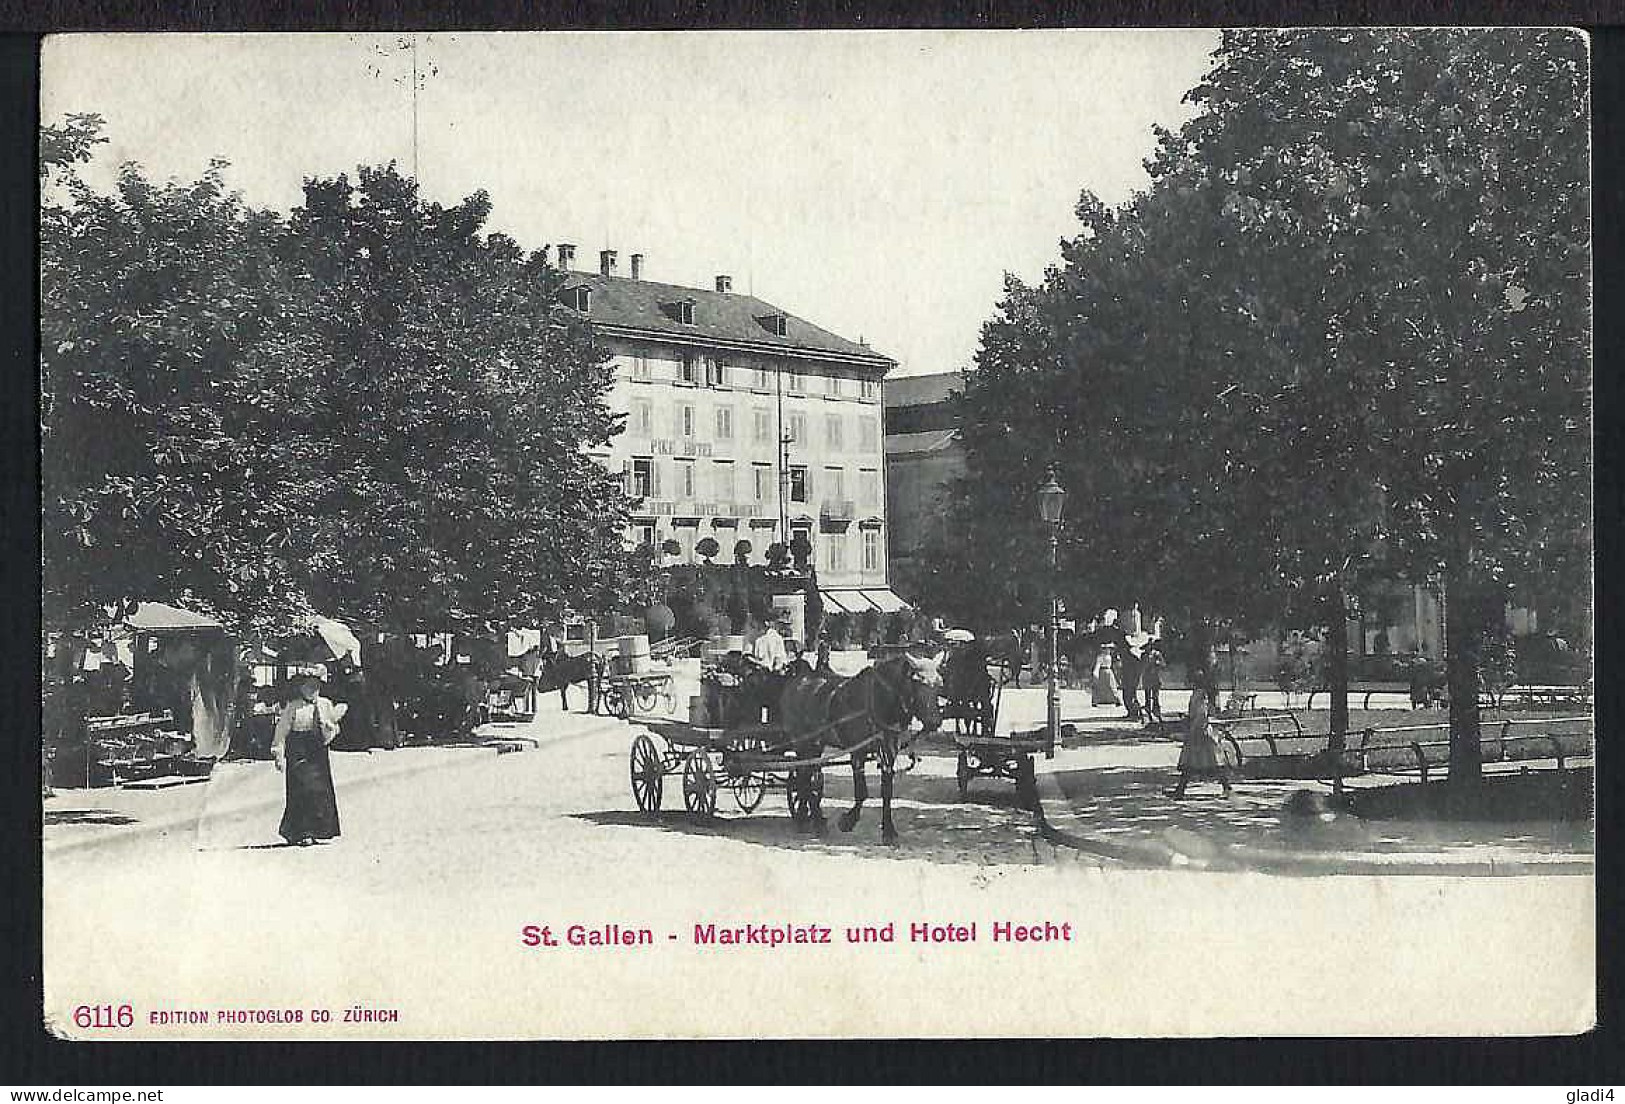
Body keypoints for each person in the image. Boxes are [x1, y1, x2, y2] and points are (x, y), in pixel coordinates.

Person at [272, 665, 348, 845]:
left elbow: (332, 728)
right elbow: (281, 731)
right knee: (302, 789)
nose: (312, 690)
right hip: (298, 749)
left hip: (318, 750)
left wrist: (331, 730)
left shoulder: (325, 704)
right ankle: (301, 832)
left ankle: (319, 830)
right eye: (308, 686)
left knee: (320, 790)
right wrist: (278, 753)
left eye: (316, 687)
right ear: (301, 688)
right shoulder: (293, 707)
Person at [1165, 674, 1233, 798]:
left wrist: (1194, 728)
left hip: (1200, 732)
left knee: (1201, 762)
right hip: (1199, 731)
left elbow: (1202, 715)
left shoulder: (1200, 695)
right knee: (1200, 761)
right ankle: (1180, 790)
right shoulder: (1198, 694)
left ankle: (1226, 787)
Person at [1141, 645, 1166, 726]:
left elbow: (1163, 665)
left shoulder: (1157, 654)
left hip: (1155, 678)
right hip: (1147, 678)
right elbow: (1141, 666)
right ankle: (1148, 715)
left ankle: (1157, 714)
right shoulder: (1144, 655)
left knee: (1155, 697)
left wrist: (1158, 663)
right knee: (1147, 698)